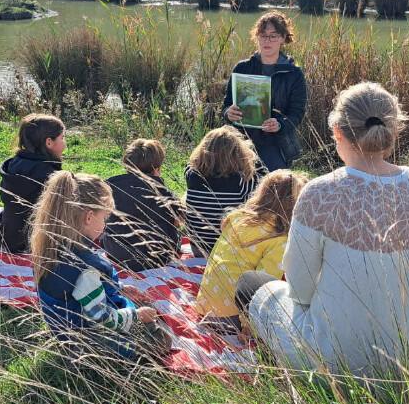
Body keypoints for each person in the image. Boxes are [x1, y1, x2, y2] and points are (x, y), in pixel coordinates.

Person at [237, 82, 409, 376]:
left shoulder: (319, 193)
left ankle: (279, 373)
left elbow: (300, 290)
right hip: (397, 364)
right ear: (394, 131)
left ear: (337, 131)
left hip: (324, 363)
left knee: (250, 283)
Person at [31, 170, 173, 363]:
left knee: (142, 306)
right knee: (161, 337)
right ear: (89, 217)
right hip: (89, 343)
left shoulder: (51, 247)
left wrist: (120, 288)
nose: (105, 223)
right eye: (104, 217)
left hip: (65, 331)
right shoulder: (86, 268)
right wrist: (137, 316)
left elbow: (79, 292)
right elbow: (102, 318)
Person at [194, 169, 307, 332]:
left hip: (205, 305)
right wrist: (249, 329)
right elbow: (261, 291)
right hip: (231, 318)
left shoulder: (238, 218)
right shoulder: (279, 240)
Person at [223, 11, 308, 172]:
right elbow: (226, 105)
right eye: (263, 35)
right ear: (257, 37)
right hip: (242, 139)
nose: (267, 40)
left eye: (273, 36)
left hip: (276, 143)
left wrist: (280, 124)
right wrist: (229, 113)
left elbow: (297, 113)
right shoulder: (242, 68)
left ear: (283, 38)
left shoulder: (294, 74)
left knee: (272, 187)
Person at [101, 139, 185, 270]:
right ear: (157, 168)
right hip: (156, 258)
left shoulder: (109, 187)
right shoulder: (163, 192)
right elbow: (180, 219)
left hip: (116, 253)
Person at [0, 113, 67, 255]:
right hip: (33, 242)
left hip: (4, 235)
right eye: (62, 138)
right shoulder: (50, 174)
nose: (65, 144)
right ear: (49, 142)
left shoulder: (13, 163)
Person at [184, 126, 260, 256]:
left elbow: (191, 164)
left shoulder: (191, 174)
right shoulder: (243, 180)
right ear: (239, 153)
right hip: (228, 250)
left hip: (198, 248)